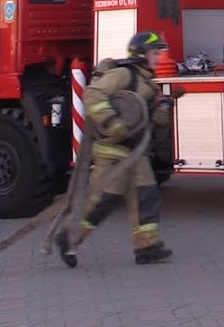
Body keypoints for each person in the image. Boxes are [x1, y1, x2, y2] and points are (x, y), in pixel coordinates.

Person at [54, 31, 176, 267]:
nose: (158, 58)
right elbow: (93, 94)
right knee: (103, 200)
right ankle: (68, 237)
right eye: (154, 53)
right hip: (113, 153)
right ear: (141, 54)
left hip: (137, 154)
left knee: (146, 196)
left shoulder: (148, 82)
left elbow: (155, 121)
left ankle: (147, 247)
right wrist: (112, 122)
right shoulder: (123, 74)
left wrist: (164, 107)